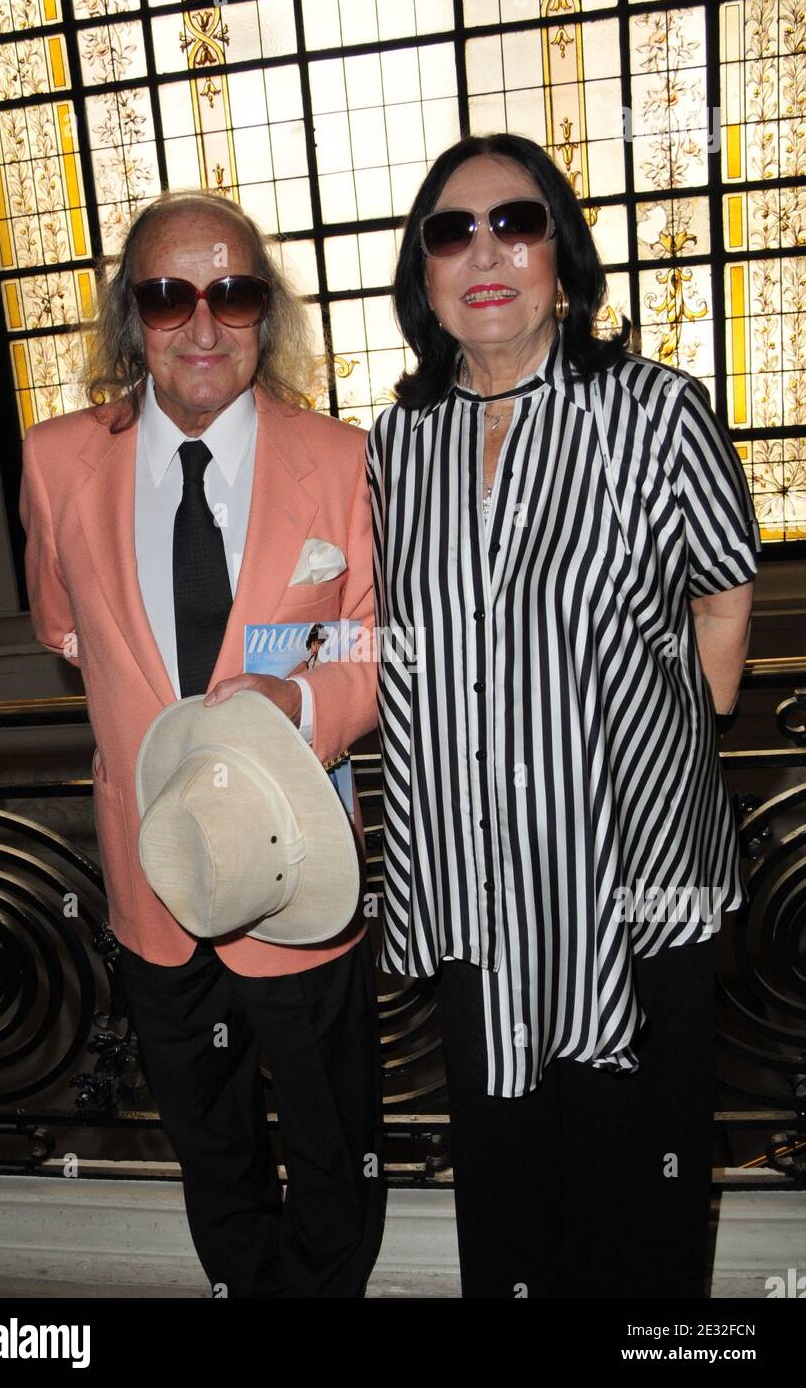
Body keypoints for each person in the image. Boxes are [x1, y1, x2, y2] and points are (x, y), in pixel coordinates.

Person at [365, 133, 761, 1299]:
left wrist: (682, 720)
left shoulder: (654, 410)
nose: (484, 252)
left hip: (634, 883)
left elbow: (723, 589)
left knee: (641, 1195)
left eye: (516, 224)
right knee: (509, 1197)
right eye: (452, 231)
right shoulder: (399, 445)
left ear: (563, 262)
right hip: (478, 894)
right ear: (424, 275)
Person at [19, 189, 385, 1297]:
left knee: (333, 1141)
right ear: (133, 317)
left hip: (299, 873)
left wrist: (300, 704)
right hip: (154, 881)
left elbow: (374, 641)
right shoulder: (53, 461)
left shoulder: (343, 458)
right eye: (170, 294)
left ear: (264, 314)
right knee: (212, 1146)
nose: (203, 323)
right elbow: (64, 626)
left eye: (232, 292)